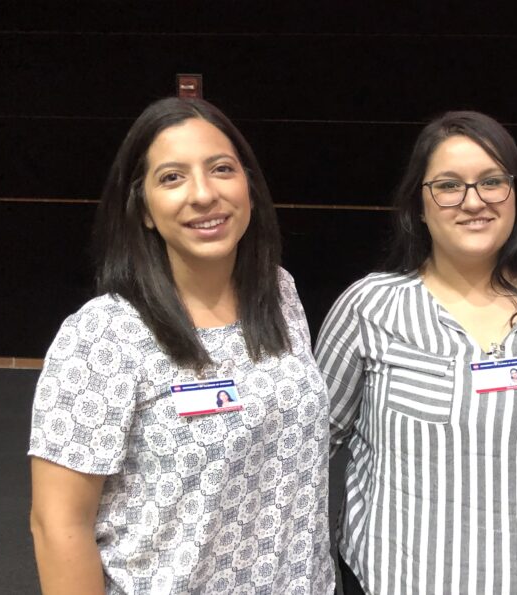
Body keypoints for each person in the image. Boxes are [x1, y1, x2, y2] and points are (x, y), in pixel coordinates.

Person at [27, 97, 333, 594]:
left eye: (221, 169)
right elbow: (58, 524)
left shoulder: (278, 293)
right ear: (143, 210)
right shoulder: (104, 334)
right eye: (172, 178)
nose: (204, 194)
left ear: (249, 187)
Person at [316, 111, 517, 594]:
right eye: (448, 186)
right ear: (418, 206)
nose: (473, 201)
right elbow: (310, 447)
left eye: (491, 182)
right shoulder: (370, 306)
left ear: (516, 195)